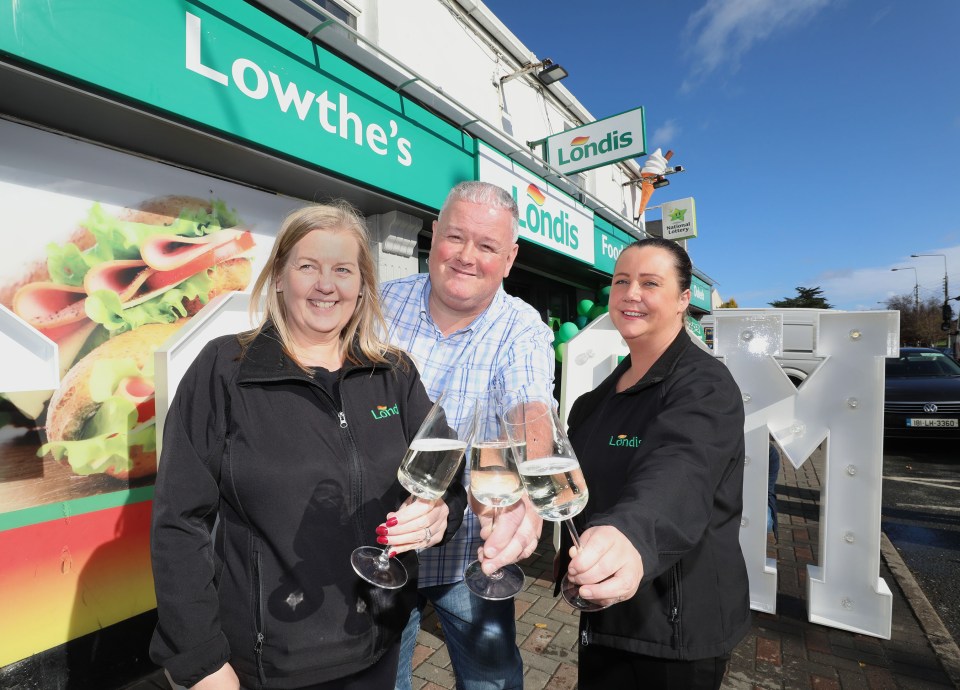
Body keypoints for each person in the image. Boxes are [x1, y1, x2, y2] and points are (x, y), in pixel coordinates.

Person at [149, 202, 467, 690]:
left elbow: (446, 472)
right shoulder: (224, 371)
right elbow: (178, 520)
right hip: (269, 665)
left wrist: (440, 513)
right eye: (308, 266)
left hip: (380, 645)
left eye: (343, 270)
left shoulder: (394, 374)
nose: (327, 285)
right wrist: (199, 661)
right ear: (279, 277)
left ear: (361, 285)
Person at [380, 181, 555, 690]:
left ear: (510, 258)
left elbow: (529, 407)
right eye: (456, 237)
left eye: (487, 247)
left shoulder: (521, 327)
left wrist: (528, 488)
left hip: (471, 556)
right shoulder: (381, 303)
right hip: (388, 542)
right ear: (433, 236)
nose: (466, 257)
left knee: (492, 681)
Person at [560, 238, 750, 690]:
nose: (631, 293)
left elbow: (682, 469)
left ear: (684, 299)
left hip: (675, 631)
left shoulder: (706, 386)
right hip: (605, 611)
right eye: (621, 281)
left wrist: (630, 534)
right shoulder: (596, 398)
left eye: (650, 283)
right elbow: (572, 483)